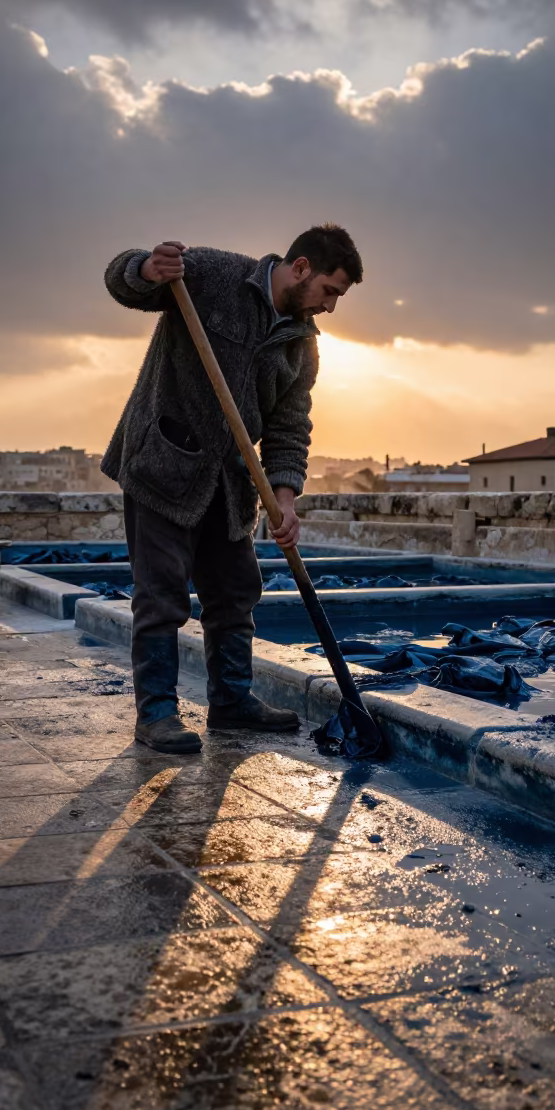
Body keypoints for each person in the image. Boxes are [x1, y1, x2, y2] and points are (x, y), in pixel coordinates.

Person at [102, 223, 363, 753]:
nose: (331, 307)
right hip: (163, 465)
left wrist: (285, 498)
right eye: (330, 291)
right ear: (302, 267)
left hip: (230, 484)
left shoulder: (301, 347)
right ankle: (156, 715)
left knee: (236, 593)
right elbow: (124, 280)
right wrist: (147, 268)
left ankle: (231, 702)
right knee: (162, 595)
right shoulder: (216, 274)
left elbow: (290, 428)